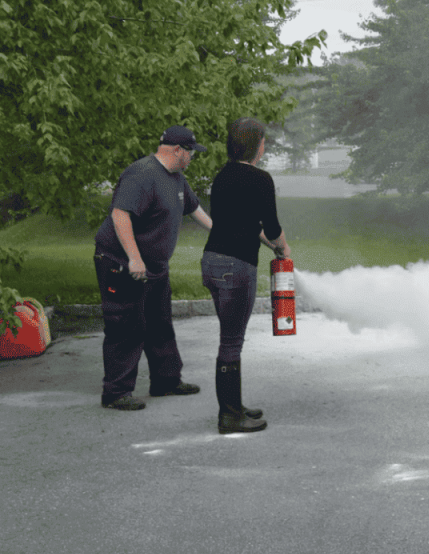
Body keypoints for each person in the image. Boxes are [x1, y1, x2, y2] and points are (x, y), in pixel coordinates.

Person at [94, 125, 213, 410]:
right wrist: (134, 258)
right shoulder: (142, 174)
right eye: (191, 153)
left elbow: (195, 210)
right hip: (122, 264)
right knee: (127, 326)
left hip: (156, 266)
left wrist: (221, 234)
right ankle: (116, 393)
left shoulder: (176, 178)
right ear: (177, 150)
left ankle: (166, 381)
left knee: (160, 324)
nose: (192, 158)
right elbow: (120, 214)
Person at [202, 117, 290, 434]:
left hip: (211, 262)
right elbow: (272, 226)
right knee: (231, 342)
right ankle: (229, 416)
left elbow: (242, 224)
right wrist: (283, 248)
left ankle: (235, 406)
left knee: (230, 338)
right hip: (236, 267)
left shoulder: (222, 176)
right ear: (257, 145)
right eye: (263, 141)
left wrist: (269, 245)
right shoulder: (260, 179)